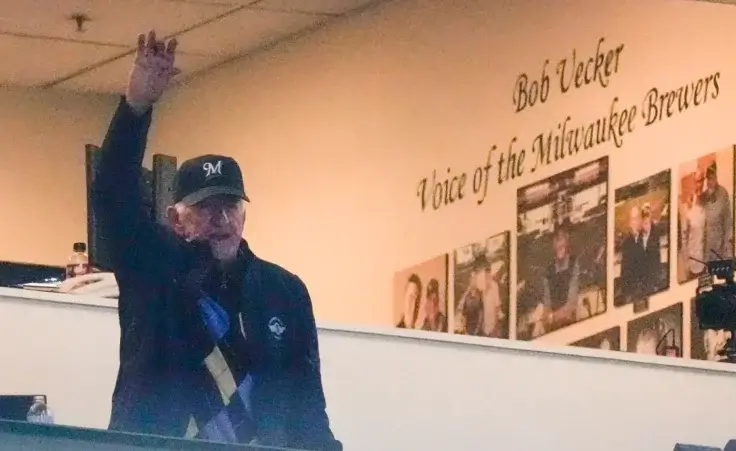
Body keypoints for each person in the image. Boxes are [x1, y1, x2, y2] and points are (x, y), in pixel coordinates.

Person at [92, 31, 341, 450]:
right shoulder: (153, 269)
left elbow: (307, 409)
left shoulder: (284, 291)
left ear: (244, 214)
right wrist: (136, 107)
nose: (221, 219)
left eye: (230, 206)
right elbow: (112, 196)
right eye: (206, 208)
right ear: (177, 218)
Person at [541, 221, 580, 328]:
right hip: (553, 324)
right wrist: (547, 318)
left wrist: (553, 316)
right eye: (556, 239)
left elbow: (572, 302)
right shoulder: (548, 270)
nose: (559, 243)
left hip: (569, 322)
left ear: (567, 241)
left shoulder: (574, 264)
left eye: (561, 238)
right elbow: (547, 300)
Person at [702, 162, 733, 260]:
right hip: (706, 250)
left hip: (720, 249)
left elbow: (728, 223)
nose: (709, 182)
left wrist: (727, 251)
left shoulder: (723, 194)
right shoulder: (704, 196)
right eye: (708, 179)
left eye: (712, 178)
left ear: (716, 177)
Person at [681, 170, 706, 278]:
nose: (698, 184)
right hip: (692, 262)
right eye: (696, 181)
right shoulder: (690, 202)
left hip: (706, 261)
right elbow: (685, 235)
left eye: (700, 181)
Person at [618, 206, 644, 302]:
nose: (636, 221)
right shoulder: (626, 244)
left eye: (638, 217)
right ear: (629, 222)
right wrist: (628, 294)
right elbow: (625, 272)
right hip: (633, 292)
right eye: (633, 219)